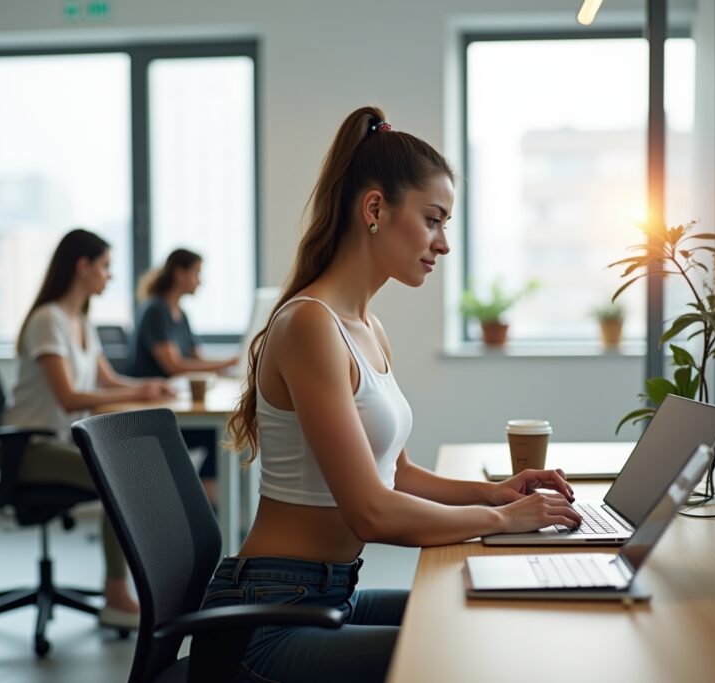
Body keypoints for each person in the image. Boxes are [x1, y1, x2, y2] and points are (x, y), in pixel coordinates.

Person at [204, 106, 583, 683]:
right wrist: (502, 518)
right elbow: (370, 511)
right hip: (270, 616)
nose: (443, 243)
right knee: (464, 658)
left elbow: (395, 474)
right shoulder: (310, 324)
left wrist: (494, 492)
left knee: (484, 617)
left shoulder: (366, 326)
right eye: (433, 219)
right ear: (375, 209)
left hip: (328, 594)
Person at [2, 228, 175, 630]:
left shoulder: (80, 319)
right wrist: (138, 394)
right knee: (124, 478)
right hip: (29, 449)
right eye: (105, 266)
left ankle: (131, 588)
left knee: (133, 468)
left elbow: (107, 380)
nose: (109, 276)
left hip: (59, 444)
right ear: (82, 266)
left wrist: (145, 389)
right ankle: (117, 596)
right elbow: (68, 396)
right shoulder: (49, 321)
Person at [127, 248, 239, 505]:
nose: (200, 281)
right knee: (221, 434)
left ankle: (209, 503)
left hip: (173, 405)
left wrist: (233, 360)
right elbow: (174, 365)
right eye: (197, 273)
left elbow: (197, 358)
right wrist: (228, 361)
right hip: (152, 412)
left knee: (225, 432)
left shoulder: (180, 314)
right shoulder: (155, 310)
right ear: (179, 273)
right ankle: (210, 503)